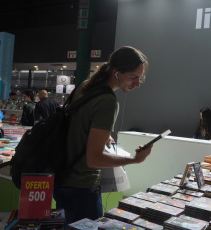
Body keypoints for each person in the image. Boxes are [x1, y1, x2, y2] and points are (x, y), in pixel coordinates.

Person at [53, 46, 153, 226]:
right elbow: (94, 159)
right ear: (116, 72)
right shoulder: (108, 101)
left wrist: (101, 136)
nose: (137, 83)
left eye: (140, 78)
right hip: (82, 188)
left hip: (62, 180)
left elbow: (78, 126)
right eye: (133, 77)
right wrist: (134, 160)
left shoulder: (85, 86)